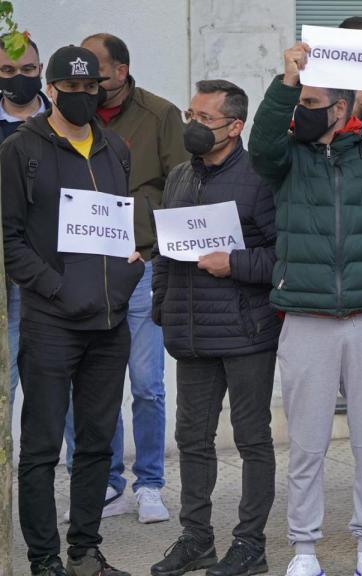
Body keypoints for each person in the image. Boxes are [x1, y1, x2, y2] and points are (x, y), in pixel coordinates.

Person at [249, 41, 362, 576]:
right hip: (306, 319)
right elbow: (261, 145)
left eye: (310, 102)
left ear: (341, 108)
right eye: (298, 101)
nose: (300, 111)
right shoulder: (288, 158)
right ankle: (304, 549)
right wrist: (285, 84)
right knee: (306, 445)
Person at [2, 44, 144, 576]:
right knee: (40, 447)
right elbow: (10, 239)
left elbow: (118, 225)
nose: (83, 96)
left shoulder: (116, 149)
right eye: (72, 88)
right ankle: (45, 560)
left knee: (97, 442)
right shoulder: (22, 150)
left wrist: (131, 264)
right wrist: (56, 288)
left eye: (92, 88)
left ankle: (85, 551)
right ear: (52, 89)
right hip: (52, 321)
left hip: (109, 322)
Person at [148, 80, 280, 576]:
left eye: (205, 119)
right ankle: (196, 539)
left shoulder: (260, 176)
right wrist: (162, 305)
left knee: (251, 440)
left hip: (246, 333)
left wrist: (237, 263)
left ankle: (250, 546)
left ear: (235, 126)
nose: (194, 126)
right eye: (191, 114)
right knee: (193, 440)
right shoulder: (180, 175)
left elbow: (282, 256)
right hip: (191, 333)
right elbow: (165, 248)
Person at [61, 33, 189, 525]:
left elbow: (182, 185)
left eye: (95, 70)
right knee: (90, 381)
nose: (87, 80)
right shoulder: (70, 118)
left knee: (147, 383)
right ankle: (105, 482)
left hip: (142, 265)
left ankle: (150, 483)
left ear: (120, 71)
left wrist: (140, 225)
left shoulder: (160, 114)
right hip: (82, 266)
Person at [0, 34, 48, 410]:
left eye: (28, 69)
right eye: (8, 70)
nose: (19, 77)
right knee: (4, 384)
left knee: (59, 390)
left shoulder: (67, 121)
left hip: (53, 272)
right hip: (3, 275)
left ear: (41, 70)